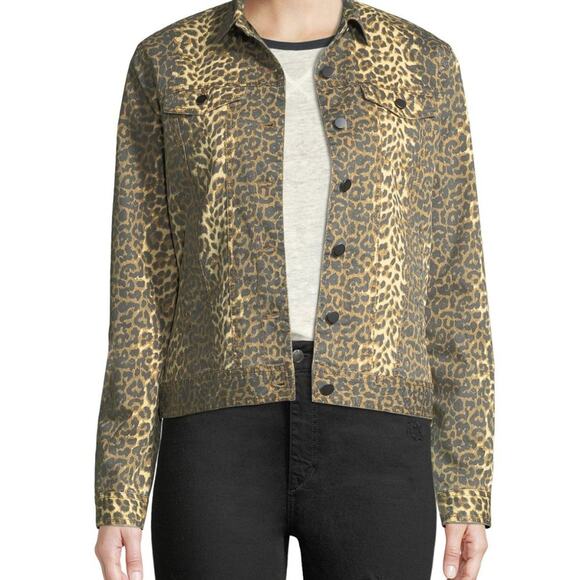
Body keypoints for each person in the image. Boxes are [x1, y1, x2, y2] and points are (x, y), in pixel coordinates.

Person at [93, 0, 495, 578]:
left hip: (379, 424)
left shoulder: (422, 61)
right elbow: (141, 285)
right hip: (215, 428)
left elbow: (456, 282)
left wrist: (466, 488)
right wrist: (121, 490)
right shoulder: (169, 59)